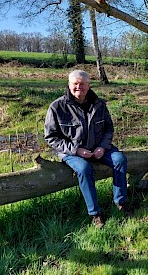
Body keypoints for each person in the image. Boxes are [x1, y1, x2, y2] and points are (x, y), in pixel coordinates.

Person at [44, 70, 128, 228]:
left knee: (120, 159)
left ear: (89, 86)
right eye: (75, 84)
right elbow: (51, 138)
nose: (78, 87)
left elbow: (108, 129)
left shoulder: (99, 104)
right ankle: (95, 213)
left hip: (98, 148)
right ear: (69, 85)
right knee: (83, 168)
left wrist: (102, 147)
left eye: (82, 84)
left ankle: (121, 202)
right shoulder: (57, 107)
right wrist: (76, 150)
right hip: (71, 151)